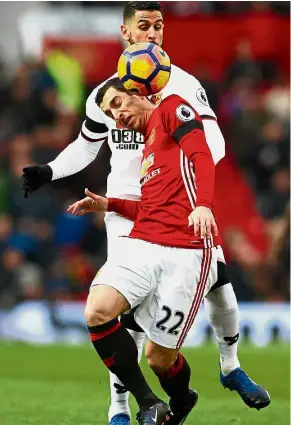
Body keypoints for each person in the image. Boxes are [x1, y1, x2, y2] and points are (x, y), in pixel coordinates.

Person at [21, 2, 269, 424]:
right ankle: (121, 406)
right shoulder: (107, 94)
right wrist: (50, 169)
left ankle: (230, 367)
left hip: (180, 205)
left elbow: (213, 145)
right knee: (121, 311)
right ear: (125, 31)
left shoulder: (183, 88)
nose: (153, 33)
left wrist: (185, 178)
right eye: (144, 26)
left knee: (220, 284)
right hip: (126, 207)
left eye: (159, 26)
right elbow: (87, 144)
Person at [67, 79, 270, 423]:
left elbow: (202, 154)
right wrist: (109, 204)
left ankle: (184, 397)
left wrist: (203, 205)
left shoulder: (173, 108)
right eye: (110, 113)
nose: (117, 115)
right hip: (143, 243)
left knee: (159, 357)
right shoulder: (148, 149)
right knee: (98, 310)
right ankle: (147, 402)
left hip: (186, 250)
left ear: (136, 92)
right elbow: (151, 209)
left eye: (118, 103)